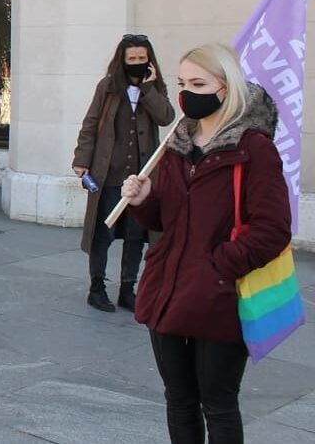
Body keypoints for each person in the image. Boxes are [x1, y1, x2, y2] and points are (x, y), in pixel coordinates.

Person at [122, 43, 291, 444]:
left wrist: (221, 266)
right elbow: (167, 217)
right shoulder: (179, 142)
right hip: (168, 289)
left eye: (199, 83)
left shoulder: (254, 149)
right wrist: (144, 201)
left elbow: (273, 229)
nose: (187, 94)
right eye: (182, 83)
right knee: (178, 400)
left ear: (226, 87)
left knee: (217, 404)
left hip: (219, 297)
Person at [72, 33, 175, 312]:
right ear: (123, 60)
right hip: (108, 174)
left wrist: (149, 88)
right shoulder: (107, 87)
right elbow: (90, 124)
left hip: (141, 179)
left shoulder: (154, 89)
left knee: (134, 235)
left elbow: (167, 117)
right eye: (133, 59)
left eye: (143, 59)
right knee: (102, 235)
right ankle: (97, 288)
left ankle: (128, 289)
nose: (138, 63)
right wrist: (81, 161)